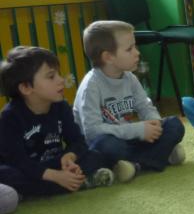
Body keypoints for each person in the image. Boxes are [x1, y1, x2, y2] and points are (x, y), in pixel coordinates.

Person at [73, 21, 186, 181]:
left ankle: (134, 165)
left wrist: (154, 122)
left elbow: (145, 106)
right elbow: (92, 131)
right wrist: (138, 130)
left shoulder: (129, 77)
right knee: (108, 146)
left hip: (130, 138)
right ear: (108, 57)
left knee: (174, 124)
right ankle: (158, 157)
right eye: (129, 49)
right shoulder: (91, 86)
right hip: (106, 142)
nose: (137, 53)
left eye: (135, 47)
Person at [0, 46, 116, 197]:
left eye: (58, 74)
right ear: (26, 87)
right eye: (51, 77)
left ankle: (61, 184)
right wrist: (56, 176)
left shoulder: (61, 106)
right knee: (6, 175)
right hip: (27, 169)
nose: (61, 80)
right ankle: (78, 182)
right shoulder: (10, 117)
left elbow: (78, 141)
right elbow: (18, 161)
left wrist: (70, 157)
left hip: (56, 163)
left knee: (96, 155)